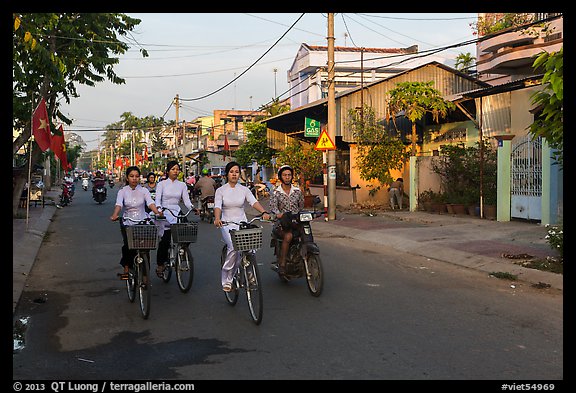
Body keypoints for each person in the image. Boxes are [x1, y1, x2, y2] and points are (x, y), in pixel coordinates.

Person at [214, 161, 270, 292]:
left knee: (250, 248)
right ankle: (227, 279)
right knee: (233, 247)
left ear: (239, 174)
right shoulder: (221, 190)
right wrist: (217, 218)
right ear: (227, 174)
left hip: (242, 223)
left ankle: (250, 274)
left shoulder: (244, 189)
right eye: (231, 172)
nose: (234, 174)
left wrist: (264, 212)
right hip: (227, 224)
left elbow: (253, 202)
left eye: (236, 172)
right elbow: (217, 206)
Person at [110, 166, 163, 280]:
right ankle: (127, 267)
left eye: (137, 176)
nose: (134, 179)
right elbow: (119, 204)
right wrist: (115, 215)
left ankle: (145, 275)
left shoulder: (144, 190)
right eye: (131, 176)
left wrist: (157, 212)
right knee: (128, 245)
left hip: (143, 219)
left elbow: (150, 203)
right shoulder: (122, 191)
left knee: (146, 247)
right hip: (128, 220)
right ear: (127, 178)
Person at [154, 161, 196, 278]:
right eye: (173, 169)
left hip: (177, 212)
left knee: (188, 232)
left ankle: (183, 253)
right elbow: (157, 199)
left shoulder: (182, 185)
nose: (175, 171)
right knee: (165, 240)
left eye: (177, 169)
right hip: (165, 212)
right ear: (168, 171)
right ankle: (160, 264)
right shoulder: (162, 184)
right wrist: (158, 209)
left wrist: (193, 209)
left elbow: (186, 201)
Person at [268, 165, 304, 277]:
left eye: (289, 175)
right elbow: (273, 207)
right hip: (282, 224)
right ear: (280, 177)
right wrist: (278, 214)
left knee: (306, 233)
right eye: (285, 175)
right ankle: (282, 264)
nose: (287, 177)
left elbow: (301, 206)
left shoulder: (297, 191)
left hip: (296, 222)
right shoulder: (276, 192)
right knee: (288, 236)